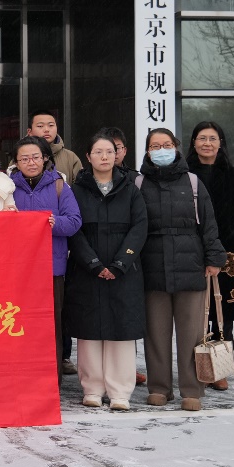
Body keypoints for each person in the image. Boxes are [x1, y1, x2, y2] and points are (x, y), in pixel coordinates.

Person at [137, 128, 227, 412]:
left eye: (166, 144)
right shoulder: (138, 183)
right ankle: (159, 388)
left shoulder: (193, 182)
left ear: (176, 147)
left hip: (191, 266)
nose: (161, 150)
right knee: (156, 334)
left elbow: (209, 225)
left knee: (191, 334)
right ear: (147, 151)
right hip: (152, 267)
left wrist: (214, 258)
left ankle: (192, 390)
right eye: (155, 146)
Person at [65, 134, 148, 411]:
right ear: (88, 157)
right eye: (98, 152)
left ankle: (120, 391)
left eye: (109, 151)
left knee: (121, 330)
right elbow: (74, 230)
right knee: (89, 331)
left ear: (117, 155)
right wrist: (93, 263)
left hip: (124, 271)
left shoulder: (131, 189)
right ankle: (92, 388)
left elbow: (139, 228)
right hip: (86, 270)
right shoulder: (76, 190)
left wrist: (120, 263)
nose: (104, 156)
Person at [187, 121, 234, 391]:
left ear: (220, 143)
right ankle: (196, 367)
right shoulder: (185, 174)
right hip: (192, 252)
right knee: (194, 312)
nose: (207, 143)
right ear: (193, 143)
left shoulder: (233, 175)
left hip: (228, 254)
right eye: (202, 138)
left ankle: (219, 368)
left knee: (222, 312)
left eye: (212, 138)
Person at [9, 135, 83, 382]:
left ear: (45, 159)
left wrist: (54, 222)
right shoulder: (7, 188)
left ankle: (50, 382)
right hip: (17, 270)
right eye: (24, 159)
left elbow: (74, 221)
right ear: (16, 162)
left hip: (52, 269)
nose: (31, 162)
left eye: (35, 157)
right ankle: (20, 378)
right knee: (17, 323)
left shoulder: (59, 186)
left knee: (51, 325)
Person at [25, 110, 83, 185]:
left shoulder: (70, 157)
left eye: (51, 125)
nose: (46, 130)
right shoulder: (20, 157)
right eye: (40, 126)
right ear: (29, 132)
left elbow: (80, 187)